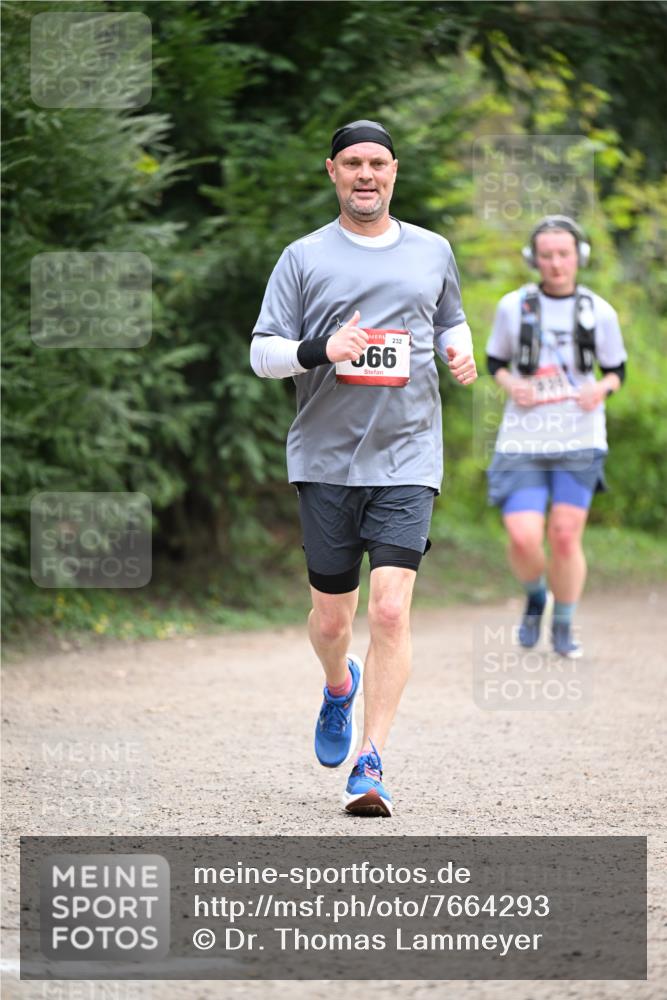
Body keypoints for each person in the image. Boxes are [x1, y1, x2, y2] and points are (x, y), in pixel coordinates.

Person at [250, 119, 477, 816]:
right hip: (323, 459)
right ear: (332, 172)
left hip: (408, 455)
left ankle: (370, 762)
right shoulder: (303, 258)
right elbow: (262, 354)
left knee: (388, 607)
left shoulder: (432, 251)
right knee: (329, 622)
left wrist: (457, 350)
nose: (365, 174)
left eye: (376, 162)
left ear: (393, 171)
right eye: (352, 163)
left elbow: (448, 318)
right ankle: (338, 686)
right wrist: (323, 348)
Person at [486, 215, 627, 658]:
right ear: (534, 259)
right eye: (546, 255)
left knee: (565, 535)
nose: (555, 263)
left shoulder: (599, 310)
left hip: (580, 436)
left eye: (563, 254)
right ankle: (535, 594)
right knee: (524, 536)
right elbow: (495, 361)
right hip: (522, 438)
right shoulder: (514, 307)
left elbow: (617, 369)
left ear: (578, 256)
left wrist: (600, 389)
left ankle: (563, 623)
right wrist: (513, 385)